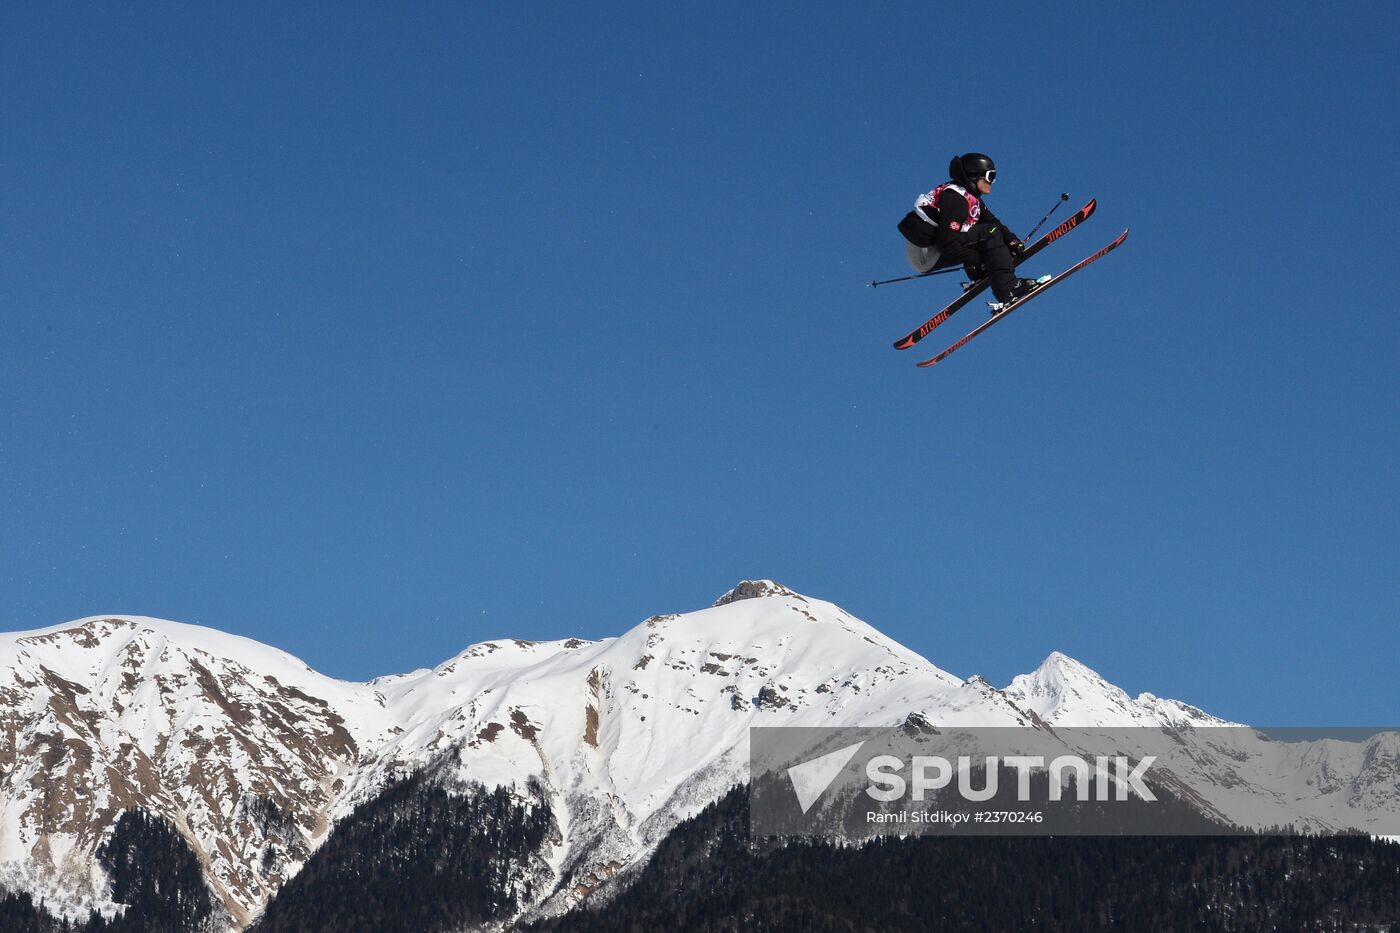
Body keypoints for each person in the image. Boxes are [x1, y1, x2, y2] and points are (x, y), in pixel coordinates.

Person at [898, 153, 1044, 308]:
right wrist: (977, 259)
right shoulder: (957, 199)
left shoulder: (968, 197)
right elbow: (946, 243)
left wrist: (1012, 241)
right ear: (974, 175)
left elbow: (991, 220)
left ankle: (982, 272)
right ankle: (1009, 288)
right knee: (989, 233)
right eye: (990, 176)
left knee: (987, 232)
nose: (993, 181)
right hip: (925, 254)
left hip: (928, 250)